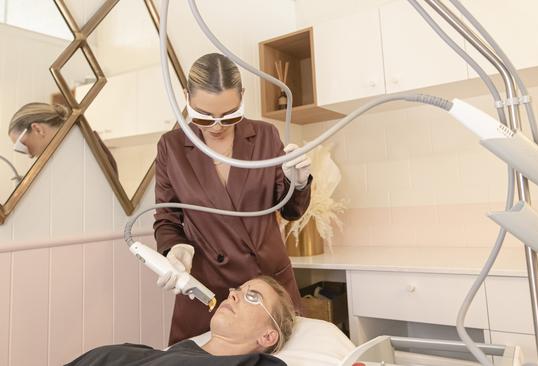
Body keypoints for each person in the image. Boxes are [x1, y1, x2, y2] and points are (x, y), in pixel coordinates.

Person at [154, 53, 312, 345]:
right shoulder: (172, 146)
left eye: (229, 114)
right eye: (203, 115)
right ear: (186, 97)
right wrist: (176, 248)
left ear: (242, 97)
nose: (216, 126)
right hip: (208, 290)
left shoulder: (265, 135)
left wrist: (298, 182)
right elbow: (167, 218)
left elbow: (289, 210)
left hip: (267, 286)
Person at [65, 276, 295, 366]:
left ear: (267, 336)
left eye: (252, 296)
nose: (233, 294)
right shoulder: (142, 353)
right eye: (237, 289)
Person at [8, 102, 118, 173]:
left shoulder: (88, 152)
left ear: (37, 129)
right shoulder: (78, 150)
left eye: (22, 146)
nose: (29, 155)